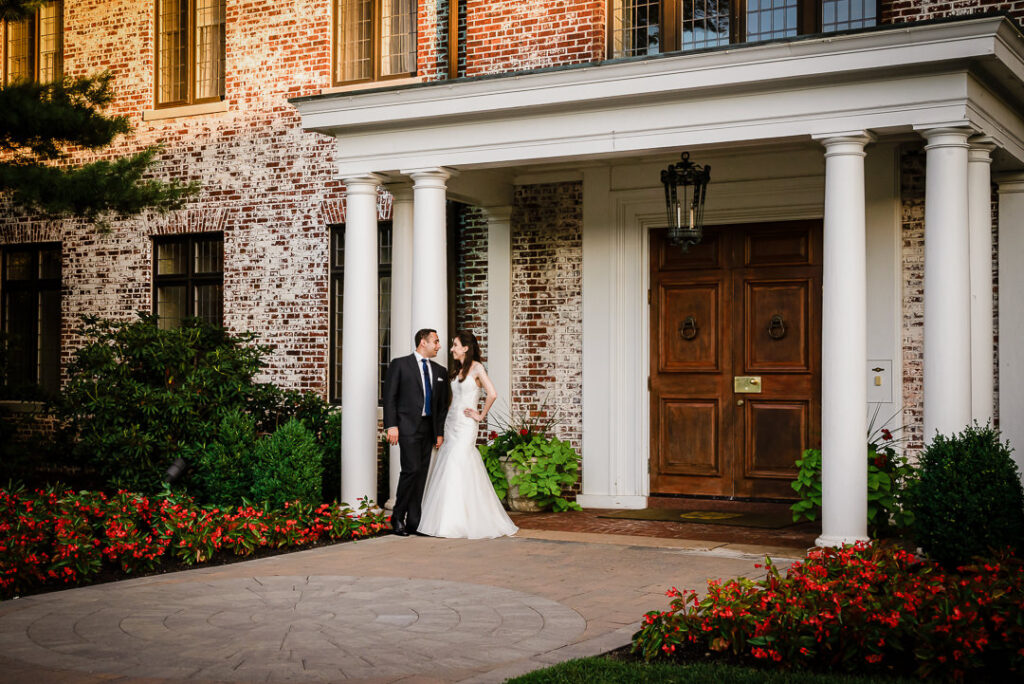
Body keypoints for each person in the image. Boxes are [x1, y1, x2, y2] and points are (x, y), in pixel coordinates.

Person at [417, 331, 519, 539]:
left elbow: (493, 393)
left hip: (466, 424)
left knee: (458, 462)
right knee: (448, 464)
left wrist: (480, 415)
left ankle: (460, 521)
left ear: (465, 348)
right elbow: (452, 399)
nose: (451, 348)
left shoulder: (477, 368)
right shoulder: (457, 370)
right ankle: (447, 519)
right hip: (452, 422)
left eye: (455, 345)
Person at [382, 328, 451, 536]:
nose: (439, 346)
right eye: (436, 342)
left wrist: (439, 432)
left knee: (421, 474)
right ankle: (397, 516)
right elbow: (390, 397)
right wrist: (391, 425)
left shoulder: (440, 371)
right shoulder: (400, 365)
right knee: (410, 470)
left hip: (428, 429)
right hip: (407, 427)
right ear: (423, 342)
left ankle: (414, 521)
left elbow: (441, 406)